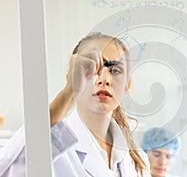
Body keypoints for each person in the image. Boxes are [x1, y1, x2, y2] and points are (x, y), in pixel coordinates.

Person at [0, 32, 150, 176]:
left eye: (115, 70)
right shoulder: (53, 148)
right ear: (71, 78)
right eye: (90, 69)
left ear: (127, 85)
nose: (104, 79)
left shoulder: (138, 162)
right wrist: (69, 93)